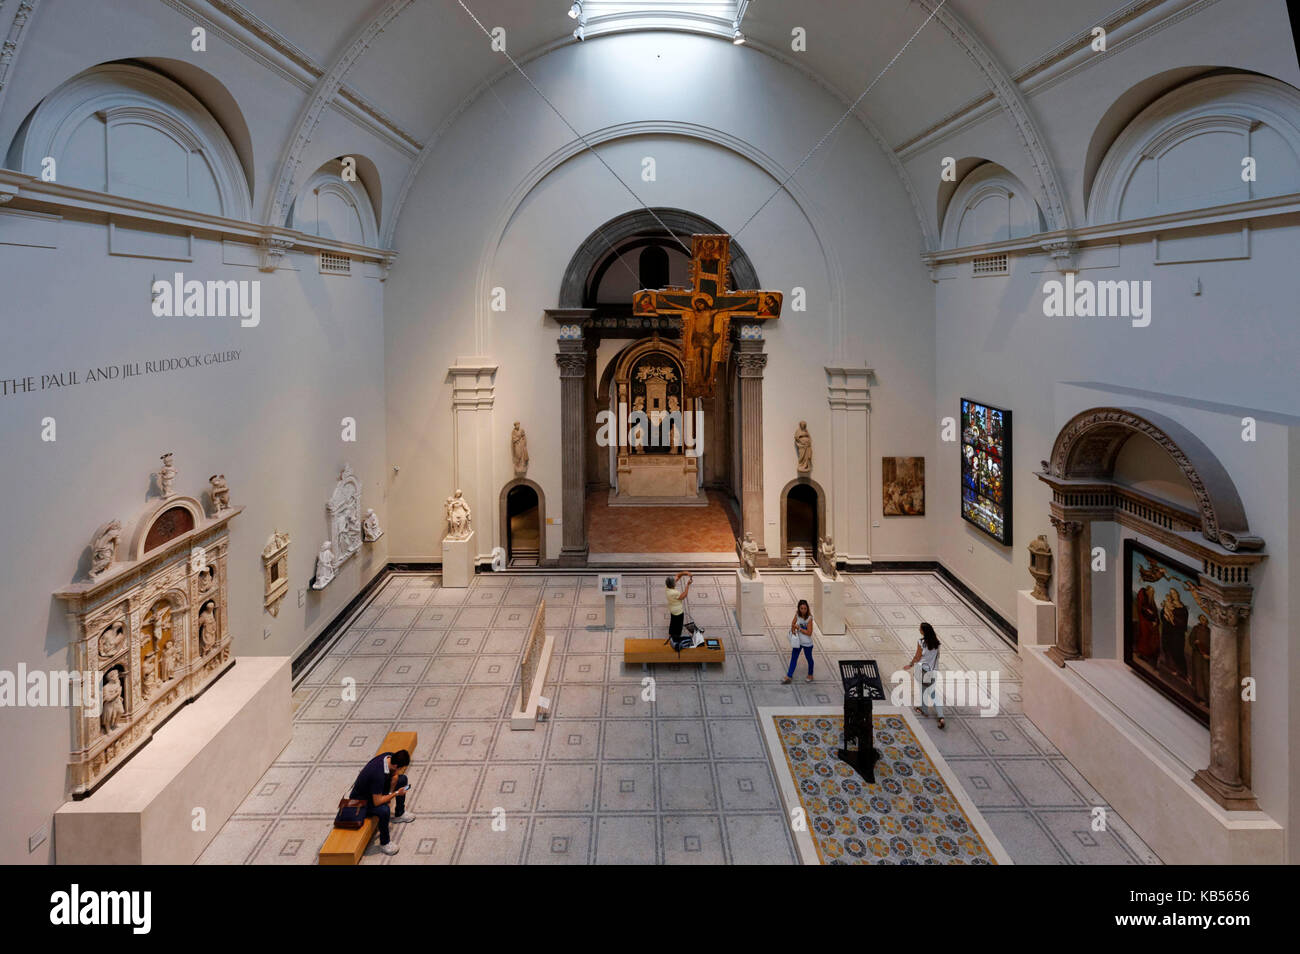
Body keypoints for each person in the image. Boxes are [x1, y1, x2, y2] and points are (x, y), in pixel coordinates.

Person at [349, 748, 414, 856]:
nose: (399, 770)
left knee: (402, 779)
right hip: (361, 801)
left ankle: (400, 813)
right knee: (384, 810)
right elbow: (377, 802)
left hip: (375, 791)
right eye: (400, 768)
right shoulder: (377, 774)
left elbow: (395, 775)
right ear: (396, 765)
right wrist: (396, 793)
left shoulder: (389, 756)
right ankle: (385, 843)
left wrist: (389, 793)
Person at [904, 622, 944, 729]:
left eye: (920, 629)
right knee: (932, 693)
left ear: (924, 631)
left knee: (923, 690)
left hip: (923, 670)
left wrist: (910, 664)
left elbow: (917, 657)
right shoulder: (937, 643)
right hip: (934, 671)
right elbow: (938, 656)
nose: (919, 630)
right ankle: (941, 716)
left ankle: (924, 710)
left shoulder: (921, 642)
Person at [782, 599, 815, 683]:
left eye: (805, 608)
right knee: (794, 658)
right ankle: (789, 676)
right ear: (799, 608)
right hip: (798, 642)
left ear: (807, 608)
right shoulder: (797, 615)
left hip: (807, 643)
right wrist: (793, 629)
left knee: (809, 659)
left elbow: (809, 633)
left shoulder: (809, 619)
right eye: (801, 608)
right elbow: (793, 623)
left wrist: (799, 628)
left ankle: (810, 675)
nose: (803, 610)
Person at [664, 572, 693, 641]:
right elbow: (684, 595)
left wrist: (686, 573)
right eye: (675, 582)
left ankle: (671, 634)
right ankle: (676, 637)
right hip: (678, 611)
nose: (676, 581)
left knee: (673, 622)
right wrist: (688, 585)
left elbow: (677, 576)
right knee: (678, 625)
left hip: (672, 609)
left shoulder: (667, 587)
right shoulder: (674, 593)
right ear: (673, 584)